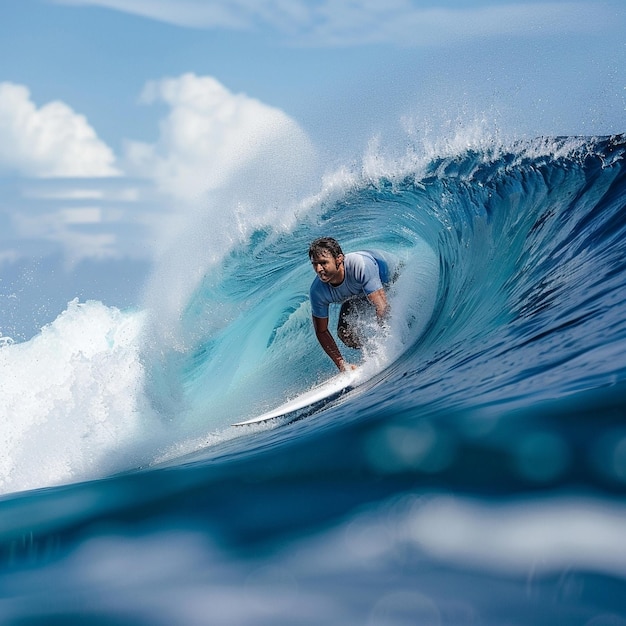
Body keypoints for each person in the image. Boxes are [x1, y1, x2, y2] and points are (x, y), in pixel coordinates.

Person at [308, 237, 397, 371]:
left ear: (339, 259)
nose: (319, 269)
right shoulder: (317, 291)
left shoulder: (360, 265)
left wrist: (387, 345)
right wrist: (341, 364)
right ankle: (370, 352)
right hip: (357, 295)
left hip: (391, 280)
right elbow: (321, 331)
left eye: (323, 263)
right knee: (345, 334)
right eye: (315, 264)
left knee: (391, 313)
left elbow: (382, 307)